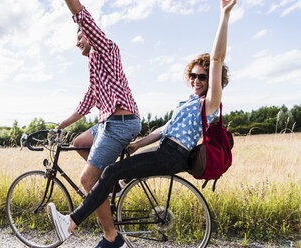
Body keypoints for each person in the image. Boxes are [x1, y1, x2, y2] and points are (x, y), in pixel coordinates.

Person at [48, 0, 236, 247]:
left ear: (212, 80)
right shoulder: (189, 102)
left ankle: (71, 223)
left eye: (203, 76)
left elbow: (218, 58)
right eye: (193, 75)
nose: (197, 80)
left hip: (174, 154)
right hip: (164, 149)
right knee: (119, 173)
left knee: (111, 172)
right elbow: (163, 129)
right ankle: (112, 202)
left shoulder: (210, 102)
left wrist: (224, 15)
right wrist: (137, 144)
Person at [51, 0, 141, 247]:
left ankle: (112, 239)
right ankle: (112, 184)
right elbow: (85, 104)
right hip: (107, 124)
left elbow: (82, 16)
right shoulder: (94, 67)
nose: (77, 42)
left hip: (120, 122)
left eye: (80, 37)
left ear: (91, 35)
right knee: (79, 143)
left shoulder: (106, 49)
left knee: (89, 181)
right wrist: (60, 126)